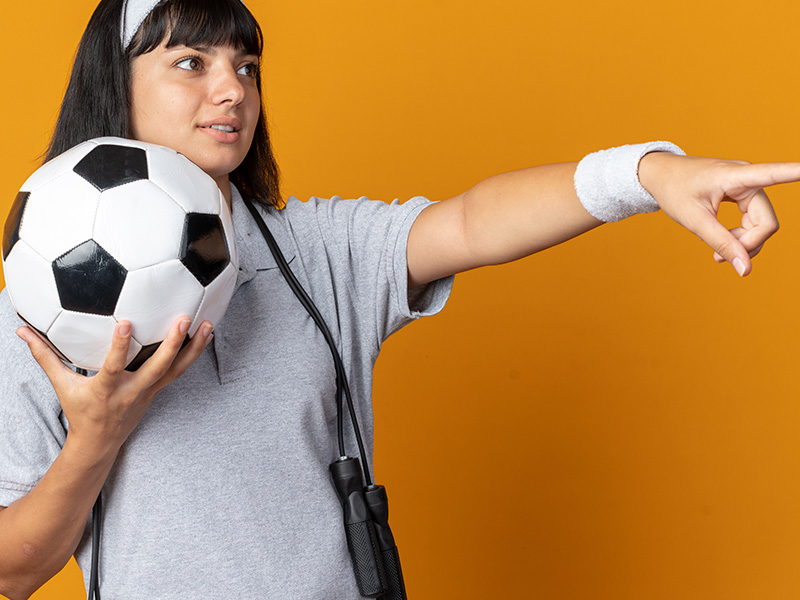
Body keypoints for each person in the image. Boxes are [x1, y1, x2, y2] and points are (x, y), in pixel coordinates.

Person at [1, 0, 799, 598]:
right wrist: (97, 433)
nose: (233, 90)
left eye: (246, 65)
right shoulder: (42, 302)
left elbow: (473, 220)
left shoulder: (317, 250)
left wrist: (648, 173)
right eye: (191, 63)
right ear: (117, 83)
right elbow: (14, 569)